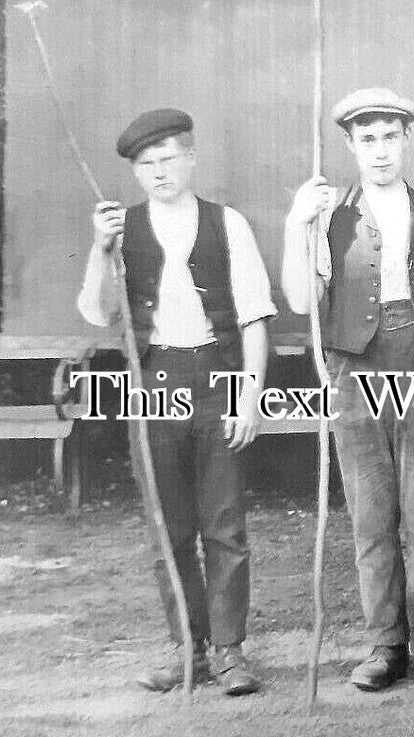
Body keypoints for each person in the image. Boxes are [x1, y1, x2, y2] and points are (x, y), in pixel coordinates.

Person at [281, 88, 414, 694]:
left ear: (407, 140)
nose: (380, 151)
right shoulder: (328, 217)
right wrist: (297, 224)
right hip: (354, 376)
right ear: (349, 145)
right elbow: (298, 300)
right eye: (367, 139)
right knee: (371, 520)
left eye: (391, 137)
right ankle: (384, 645)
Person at [77, 108, 274, 695]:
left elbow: (256, 317)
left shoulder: (226, 223)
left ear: (190, 159)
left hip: (218, 377)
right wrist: (99, 248)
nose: (158, 172)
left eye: (168, 159)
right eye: (146, 164)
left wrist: (250, 396)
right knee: (169, 527)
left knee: (224, 523)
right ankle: (185, 646)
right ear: (136, 173)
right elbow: (98, 313)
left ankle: (230, 652)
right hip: (155, 382)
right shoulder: (122, 230)